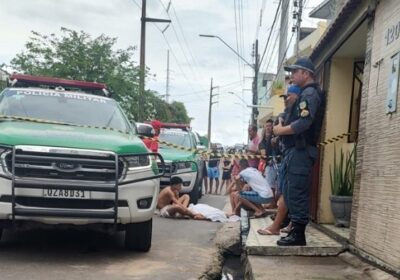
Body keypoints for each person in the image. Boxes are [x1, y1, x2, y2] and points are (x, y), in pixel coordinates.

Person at [272, 57, 324, 246]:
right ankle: (295, 231)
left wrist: (280, 131)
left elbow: (304, 123)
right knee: (290, 191)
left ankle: (299, 235)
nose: (292, 76)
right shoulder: (304, 93)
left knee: (296, 192)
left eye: (295, 72)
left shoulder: (309, 94)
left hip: (301, 150)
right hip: (294, 151)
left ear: (306, 73)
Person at [257, 85, 302, 236]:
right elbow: (277, 135)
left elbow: (289, 130)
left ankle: (283, 224)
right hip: (286, 157)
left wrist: (280, 130)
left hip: (293, 157)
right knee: (284, 193)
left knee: (289, 193)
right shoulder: (285, 115)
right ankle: (283, 223)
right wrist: (277, 135)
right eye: (284, 97)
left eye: (288, 96)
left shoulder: (297, 114)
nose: (285, 99)